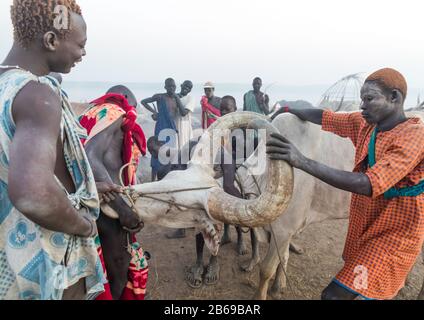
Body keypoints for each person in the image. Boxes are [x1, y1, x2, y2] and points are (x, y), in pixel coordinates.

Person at [268, 68, 424, 300]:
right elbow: (325, 117)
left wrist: (301, 161)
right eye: (362, 99)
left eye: (369, 99)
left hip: (394, 234)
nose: (362, 105)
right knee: (362, 289)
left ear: (395, 97)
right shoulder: (366, 125)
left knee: (334, 296)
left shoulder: (414, 136)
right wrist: (289, 110)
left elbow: (367, 183)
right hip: (367, 227)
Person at [0, 0, 120, 300]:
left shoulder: (6, 85)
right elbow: (33, 194)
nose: (83, 53)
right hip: (47, 264)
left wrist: (90, 186)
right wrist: (83, 225)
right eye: (80, 44)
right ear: (51, 40)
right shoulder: (37, 94)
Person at [79, 86, 148, 300]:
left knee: (98, 267)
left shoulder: (88, 115)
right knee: (117, 267)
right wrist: (122, 208)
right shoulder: (115, 112)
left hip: (85, 202)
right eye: (133, 108)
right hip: (108, 205)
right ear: (125, 100)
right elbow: (90, 156)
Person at [187, 96, 245, 288]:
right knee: (200, 220)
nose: (224, 113)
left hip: (224, 178)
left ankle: (213, 260)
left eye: (228, 110)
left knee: (217, 222)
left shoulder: (238, 131)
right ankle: (197, 260)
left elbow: (236, 159)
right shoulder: (213, 130)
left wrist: (227, 170)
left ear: (235, 109)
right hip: (208, 176)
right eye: (222, 110)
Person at [141, 78, 188, 181]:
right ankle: (153, 178)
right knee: (156, 151)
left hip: (171, 128)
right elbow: (143, 102)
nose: (172, 88)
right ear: (165, 87)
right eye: (169, 86)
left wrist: (177, 98)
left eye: (173, 86)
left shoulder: (176, 98)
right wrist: (154, 112)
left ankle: (165, 177)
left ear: (176, 87)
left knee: (169, 153)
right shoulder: (160, 97)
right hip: (161, 127)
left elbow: (184, 113)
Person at [176, 80, 195, 150]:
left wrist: (176, 98)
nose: (187, 88)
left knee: (184, 147)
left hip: (184, 126)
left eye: (189, 87)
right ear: (181, 85)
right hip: (174, 125)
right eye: (185, 86)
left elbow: (183, 113)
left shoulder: (191, 98)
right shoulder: (174, 96)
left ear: (190, 90)